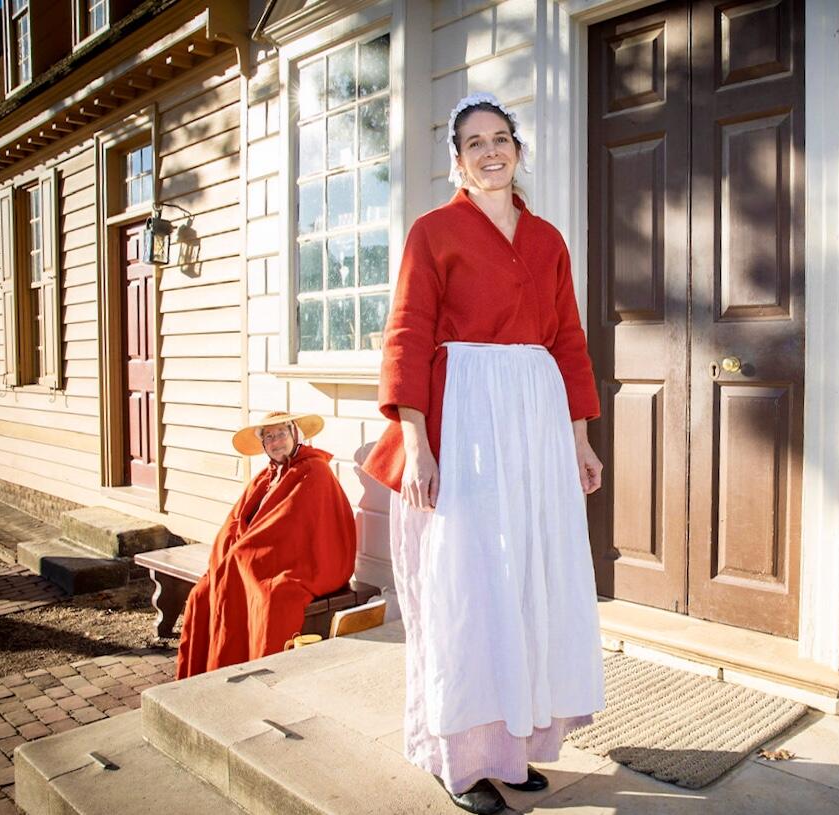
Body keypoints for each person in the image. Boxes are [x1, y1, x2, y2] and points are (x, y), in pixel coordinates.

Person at [362, 92, 605, 815]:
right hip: (461, 415)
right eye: (476, 142)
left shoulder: (548, 240)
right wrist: (417, 440)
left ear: (519, 151)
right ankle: (461, 758)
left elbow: (568, 341)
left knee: (526, 581)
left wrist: (580, 440)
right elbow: (406, 334)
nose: (492, 151)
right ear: (457, 161)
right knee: (466, 585)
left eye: (502, 138)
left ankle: (509, 747)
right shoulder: (434, 232)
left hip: (533, 418)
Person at [176, 411, 358, 679]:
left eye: (282, 433)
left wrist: (243, 553)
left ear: (295, 434)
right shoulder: (267, 475)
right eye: (269, 436)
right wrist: (230, 548)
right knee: (201, 595)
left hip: (304, 563)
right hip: (258, 559)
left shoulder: (313, 470)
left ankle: (258, 678)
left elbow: (291, 527)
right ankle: (205, 679)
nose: (276, 441)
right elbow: (236, 520)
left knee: (271, 601)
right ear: (263, 445)